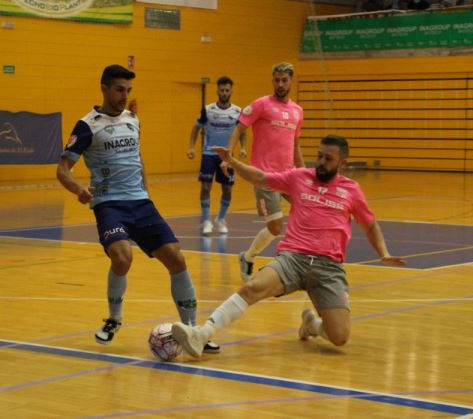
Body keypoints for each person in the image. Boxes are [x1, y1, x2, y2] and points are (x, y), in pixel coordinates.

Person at [172, 135, 406, 358]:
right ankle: (201, 335)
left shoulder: (352, 190)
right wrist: (233, 161)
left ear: (342, 163)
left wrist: (383, 253)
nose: (321, 163)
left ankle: (312, 324)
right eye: (320, 156)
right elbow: (261, 178)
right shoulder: (299, 177)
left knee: (340, 337)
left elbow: (371, 225)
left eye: (328, 159)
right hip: (293, 259)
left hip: (329, 268)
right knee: (253, 287)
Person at [56, 64, 218, 353]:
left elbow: (137, 156)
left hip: (141, 203)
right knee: (122, 257)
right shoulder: (87, 125)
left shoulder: (133, 119)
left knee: (177, 259)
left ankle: (194, 330)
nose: (124, 95)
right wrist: (79, 189)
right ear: (104, 88)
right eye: (120, 89)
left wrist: (146, 192)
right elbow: (63, 169)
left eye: (129, 90)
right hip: (110, 205)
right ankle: (114, 319)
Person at [222, 62, 305, 282]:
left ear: (291, 81)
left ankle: (299, 258)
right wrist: (228, 155)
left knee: (308, 208)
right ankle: (248, 257)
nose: (280, 84)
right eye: (276, 80)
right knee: (276, 227)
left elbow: (295, 145)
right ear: (272, 81)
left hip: (289, 175)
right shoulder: (261, 105)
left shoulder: (297, 111)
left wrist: (304, 173)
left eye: (284, 80)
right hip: (265, 176)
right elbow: (239, 127)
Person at [187, 76, 246, 235]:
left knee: (227, 189)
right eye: (222, 90)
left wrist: (243, 147)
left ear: (231, 91)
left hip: (227, 156)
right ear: (217, 90)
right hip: (208, 153)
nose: (224, 93)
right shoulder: (208, 110)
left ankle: (220, 219)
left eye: (227, 90)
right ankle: (206, 220)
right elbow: (196, 128)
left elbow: (241, 131)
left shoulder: (237, 111)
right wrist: (191, 147)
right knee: (205, 186)